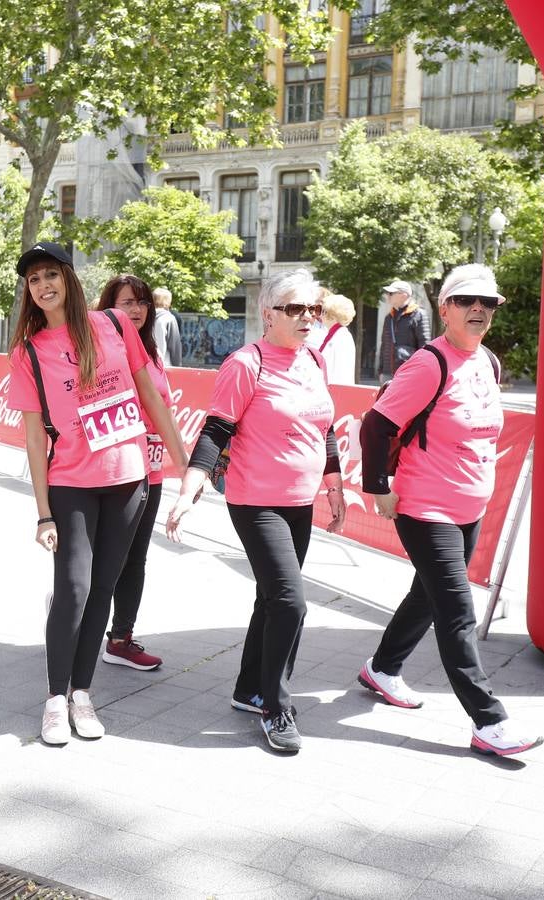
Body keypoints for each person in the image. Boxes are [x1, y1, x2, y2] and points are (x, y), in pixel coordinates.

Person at [6, 242, 188, 746]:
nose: (43, 285)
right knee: (74, 589)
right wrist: (43, 514)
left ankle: (82, 693)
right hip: (71, 484)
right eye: (33, 279)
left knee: (103, 590)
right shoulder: (27, 351)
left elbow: (150, 394)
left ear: (68, 277)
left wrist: (184, 462)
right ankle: (53, 699)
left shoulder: (114, 324)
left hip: (129, 479)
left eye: (50, 275)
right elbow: (32, 437)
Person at [357, 263, 542, 757]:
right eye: (466, 301)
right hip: (426, 506)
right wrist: (379, 487)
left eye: (488, 303)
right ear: (445, 309)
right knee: (457, 612)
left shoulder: (488, 362)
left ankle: (382, 668)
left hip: (469, 504)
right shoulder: (428, 364)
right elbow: (376, 426)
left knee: (427, 594)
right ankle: (489, 720)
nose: (478, 309)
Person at [166, 269, 346, 754]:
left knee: (271, 599)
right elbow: (216, 430)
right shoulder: (246, 363)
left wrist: (334, 487)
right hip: (255, 500)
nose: (308, 317)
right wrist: (188, 490)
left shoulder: (314, 360)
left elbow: (324, 429)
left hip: (300, 499)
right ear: (268, 314)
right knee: (291, 602)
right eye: (296, 309)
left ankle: (249, 690)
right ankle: (275, 706)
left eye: (315, 309)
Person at [94, 274, 175, 671]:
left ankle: (121, 638)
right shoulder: (97, 349)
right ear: (109, 307)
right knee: (101, 558)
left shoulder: (152, 352)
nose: (137, 310)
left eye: (142, 302)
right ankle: (71, 615)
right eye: (127, 302)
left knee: (135, 558)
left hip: (151, 471)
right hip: (109, 474)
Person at [379, 279, 430, 381]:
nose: (388, 296)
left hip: (408, 373)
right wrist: (381, 371)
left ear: (404, 295)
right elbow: (384, 345)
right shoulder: (389, 317)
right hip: (387, 374)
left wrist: (420, 372)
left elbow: (425, 347)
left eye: (391, 293)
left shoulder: (419, 315)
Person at [312, 293, 357, 386]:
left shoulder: (342, 337)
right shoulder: (336, 334)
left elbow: (339, 374)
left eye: (323, 311)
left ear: (332, 315)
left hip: (334, 392)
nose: (320, 315)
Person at [151, 286, 183, 366]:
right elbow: (175, 346)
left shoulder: (145, 317)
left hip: (147, 366)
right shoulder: (169, 319)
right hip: (165, 366)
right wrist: (178, 366)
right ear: (168, 301)